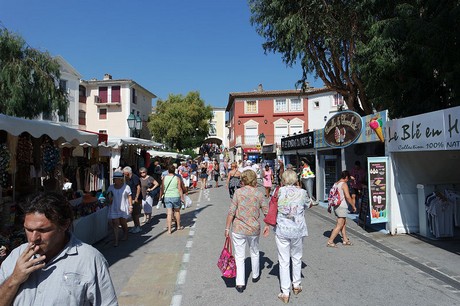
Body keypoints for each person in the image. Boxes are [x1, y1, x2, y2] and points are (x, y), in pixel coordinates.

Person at [0, 192, 118, 305]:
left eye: (43, 230)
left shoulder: (89, 260)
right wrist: (14, 280)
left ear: (65, 225)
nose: (33, 238)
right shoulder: (16, 257)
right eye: (29, 230)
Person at [263, 169, 311, 303]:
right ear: (296, 179)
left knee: (283, 261)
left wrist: (268, 225)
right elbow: (309, 204)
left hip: (282, 230)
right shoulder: (302, 192)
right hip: (297, 229)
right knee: (296, 257)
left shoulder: (278, 191)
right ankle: (296, 285)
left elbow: (272, 207)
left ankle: (285, 292)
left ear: (283, 180)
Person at [225, 170, 268, 293]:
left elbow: (231, 211)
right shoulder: (258, 194)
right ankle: (255, 275)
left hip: (238, 228)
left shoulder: (238, 193)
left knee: (239, 256)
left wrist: (227, 228)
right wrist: (267, 226)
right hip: (254, 228)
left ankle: (240, 283)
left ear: (243, 180)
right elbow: (266, 211)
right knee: (254, 251)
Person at [327, 170, 357, 247]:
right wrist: (353, 206)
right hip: (342, 206)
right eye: (348, 179)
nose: (348, 180)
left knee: (343, 223)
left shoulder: (336, 183)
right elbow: (347, 196)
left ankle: (345, 239)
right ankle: (330, 241)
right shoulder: (344, 184)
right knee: (340, 224)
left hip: (336, 206)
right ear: (346, 177)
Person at [107, 170, 132, 247]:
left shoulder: (126, 187)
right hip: (114, 207)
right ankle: (116, 240)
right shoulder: (111, 187)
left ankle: (125, 234)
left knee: (123, 222)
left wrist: (130, 206)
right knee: (115, 223)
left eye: (115, 178)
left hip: (123, 207)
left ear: (120, 179)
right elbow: (108, 196)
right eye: (114, 179)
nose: (114, 180)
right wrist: (108, 199)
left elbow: (129, 196)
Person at [159, 165, 185, 234]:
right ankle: (178, 226)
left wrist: (161, 196)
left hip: (167, 196)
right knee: (177, 212)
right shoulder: (177, 178)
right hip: (176, 196)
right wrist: (182, 198)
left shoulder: (164, 178)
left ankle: (169, 230)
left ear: (168, 170)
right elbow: (179, 189)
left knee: (169, 213)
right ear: (174, 170)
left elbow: (162, 187)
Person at [123, 166, 143, 234]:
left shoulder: (134, 177)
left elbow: (138, 187)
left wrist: (136, 197)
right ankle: (136, 226)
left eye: (125, 173)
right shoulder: (128, 178)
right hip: (131, 197)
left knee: (136, 213)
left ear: (128, 172)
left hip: (135, 197)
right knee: (133, 213)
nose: (124, 174)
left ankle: (138, 227)